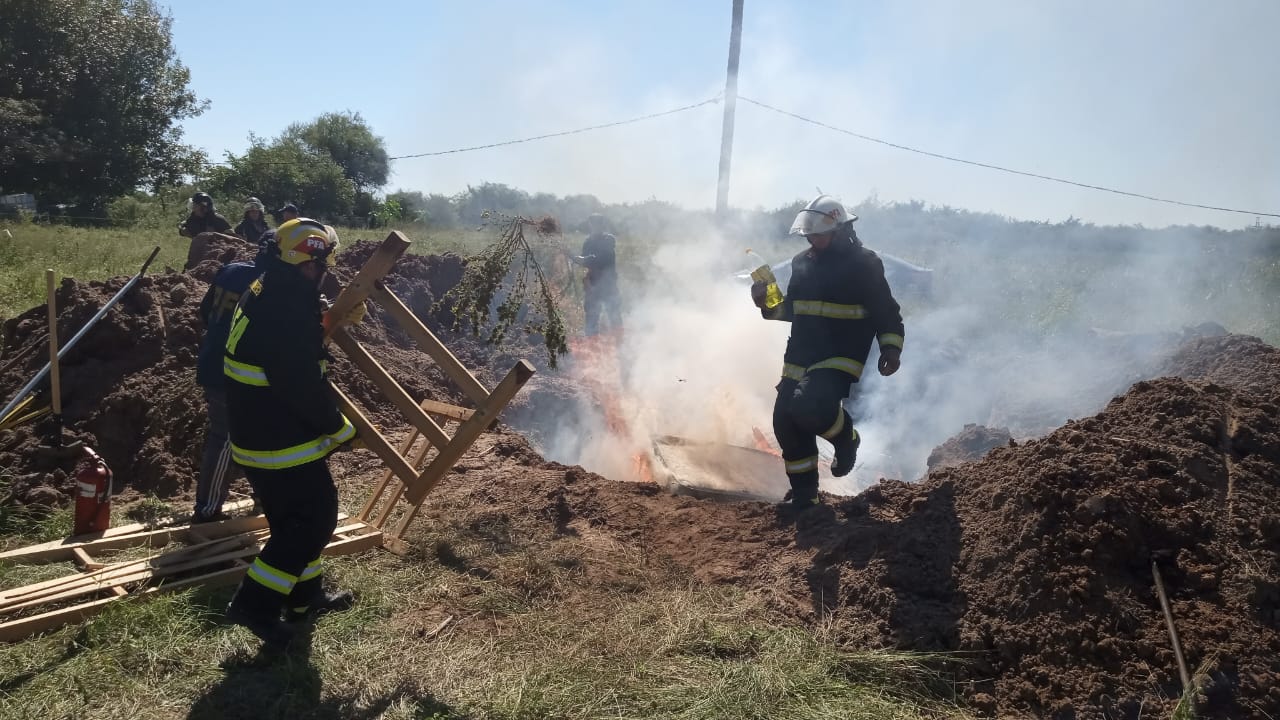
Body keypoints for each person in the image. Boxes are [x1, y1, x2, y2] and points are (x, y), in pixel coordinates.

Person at [222, 218, 359, 649]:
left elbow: (283, 347)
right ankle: (254, 605)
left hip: (258, 430)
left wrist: (327, 317)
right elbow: (298, 382)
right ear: (307, 262)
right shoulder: (285, 310)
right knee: (315, 522)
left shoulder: (269, 286)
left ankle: (305, 597)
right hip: (278, 439)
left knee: (292, 521)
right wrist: (338, 428)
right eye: (320, 266)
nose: (323, 274)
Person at [752, 195, 904, 509]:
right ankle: (806, 497)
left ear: (840, 229)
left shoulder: (865, 263)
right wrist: (765, 301)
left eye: (819, 233)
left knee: (809, 406)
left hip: (841, 353)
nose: (812, 239)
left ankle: (847, 440)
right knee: (785, 422)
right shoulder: (801, 262)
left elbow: (886, 311)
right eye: (810, 234)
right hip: (800, 354)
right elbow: (791, 310)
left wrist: (891, 347)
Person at [191, 238, 271, 523]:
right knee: (225, 438)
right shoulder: (268, 286)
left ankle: (264, 499)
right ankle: (208, 510)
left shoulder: (231, 271)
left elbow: (204, 312)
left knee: (258, 436)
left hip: (213, 362)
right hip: (233, 373)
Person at [573, 213, 622, 336]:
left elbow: (602, 258)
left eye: (598, 223)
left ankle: (620, 344)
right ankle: (592, 344)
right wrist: (576, 260)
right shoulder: (588, 242)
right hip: (592, 285)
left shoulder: (609, 239)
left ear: (602, 224)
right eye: (593, 223)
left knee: (614, 314)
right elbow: (585, 262)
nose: (595, 226)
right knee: (591, 317)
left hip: (608, 285)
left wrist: (583, 259)